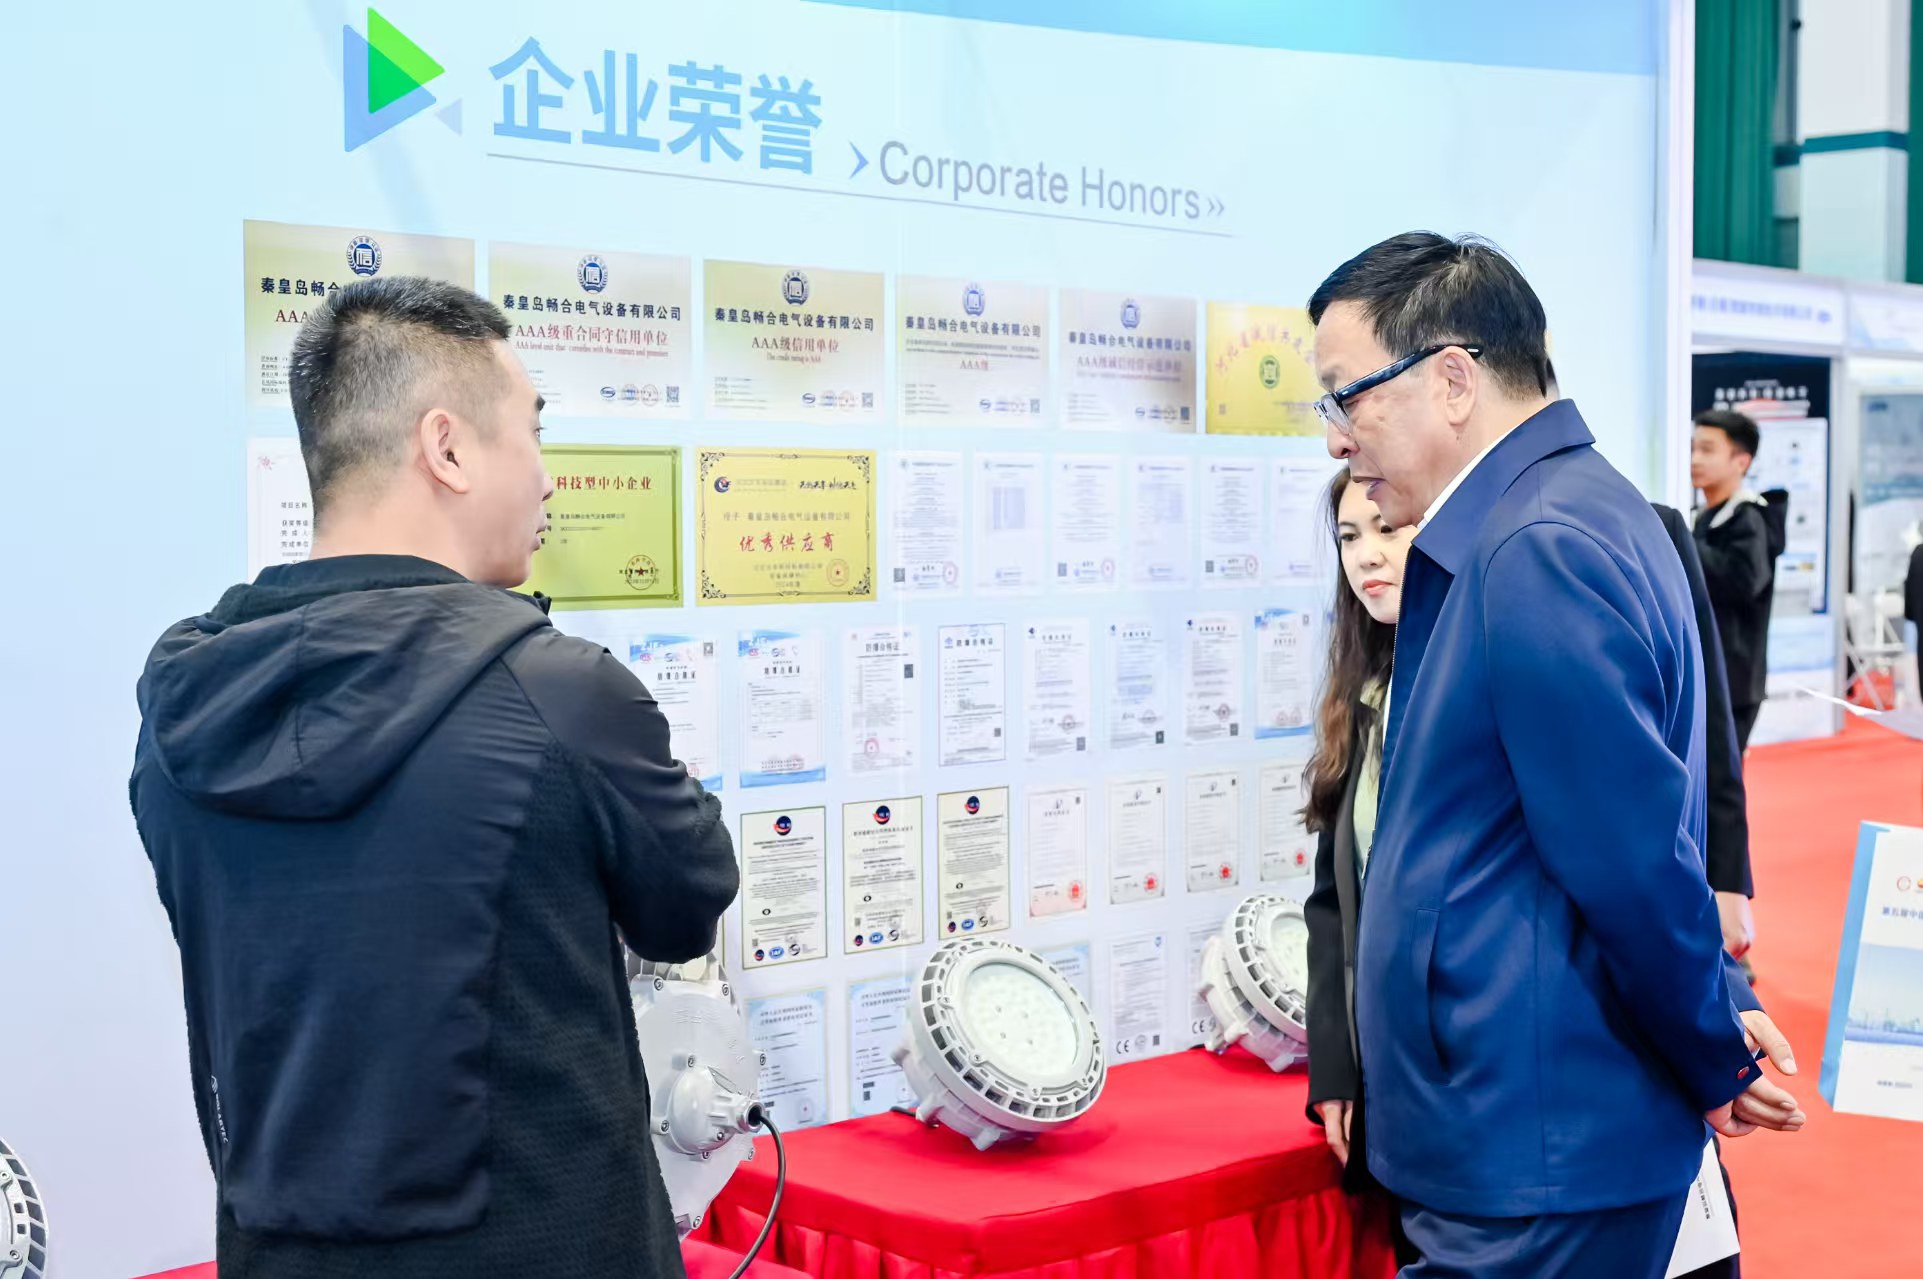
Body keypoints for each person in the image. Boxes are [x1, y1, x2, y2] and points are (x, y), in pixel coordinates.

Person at [130, 276, 739, 1277]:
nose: (548, 479)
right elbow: (685, 910)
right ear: (447, 448)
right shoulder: (561, 696)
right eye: (533, 432)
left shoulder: (183, 713)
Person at [1307, 232, 1802, 1279]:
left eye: (1348, 398)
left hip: (1538, 1141)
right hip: (1523, 1126)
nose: (1338, 440)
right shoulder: (1547, 518)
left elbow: (1629, 857)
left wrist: (1712, 1044)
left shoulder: (1537, 545)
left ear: (1451, 381)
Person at [1301, 474, 1758, 1278]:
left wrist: (1725, 925)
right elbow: (1341, 893)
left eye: (1386, 529)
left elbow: (1643, 825)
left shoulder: (1562, 553)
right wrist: (1337, 1064)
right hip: (1433, 1100)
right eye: (1348, 537)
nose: (1369, 554)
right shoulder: (1368, 690)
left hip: (1561, 1092)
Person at [1690, 409, 1779, 752]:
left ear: (1741, 461)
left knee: (1720, 777)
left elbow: (1742, 584)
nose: (1695, 459)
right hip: (1708, 672)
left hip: (1734, 680)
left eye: (1707, 450)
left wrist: (1684, 544)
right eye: (1693, 448)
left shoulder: (1748, 518)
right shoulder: (1704, 517)